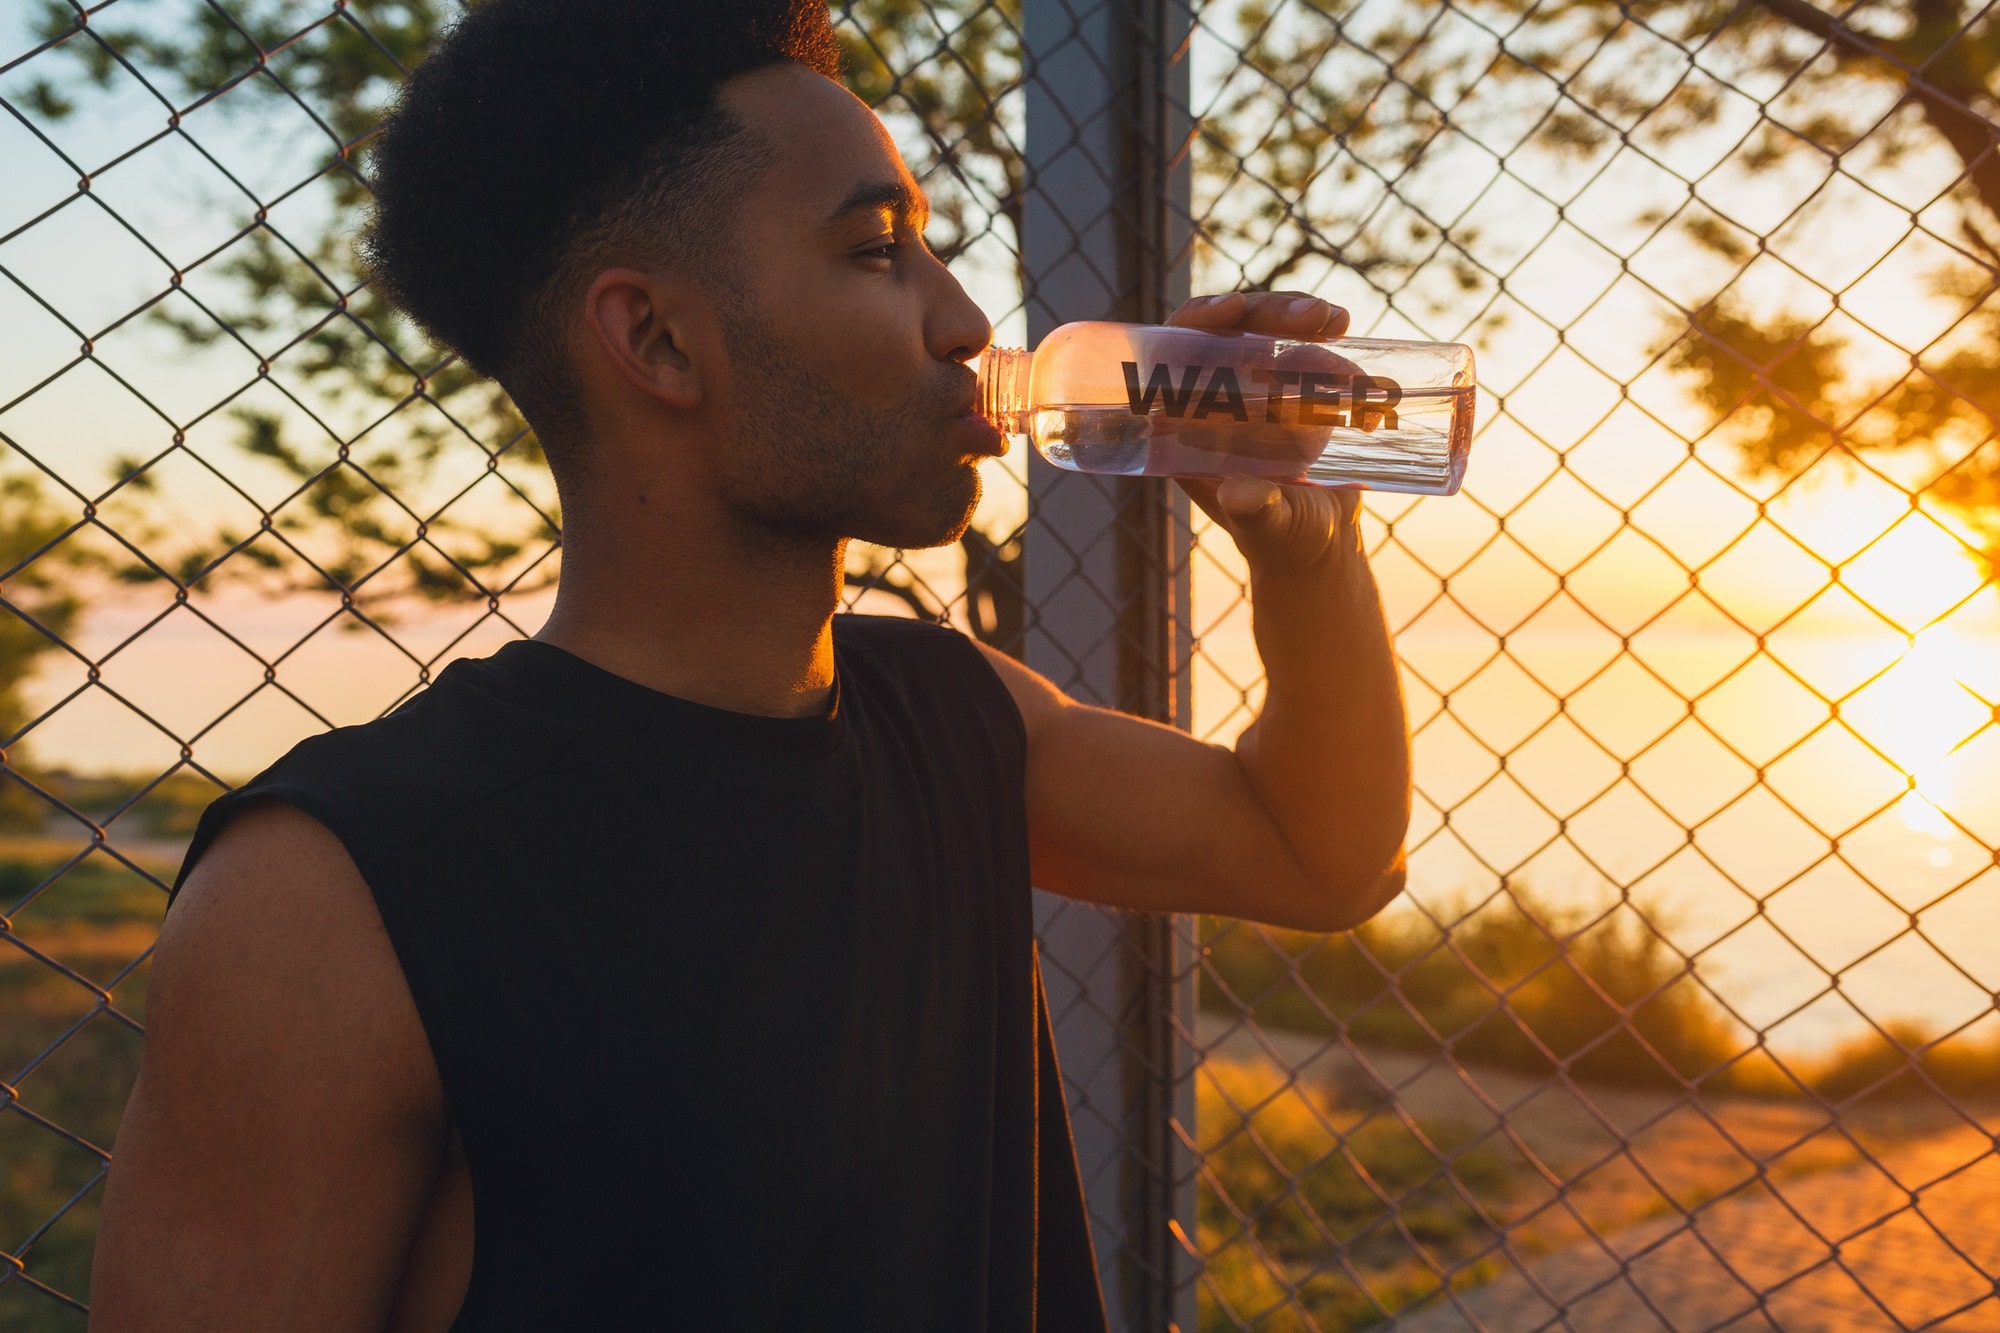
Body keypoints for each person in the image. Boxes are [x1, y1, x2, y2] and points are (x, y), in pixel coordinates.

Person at [86, 1, 1410, 1329]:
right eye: (877, 249)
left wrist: (1303, 550)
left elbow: (1318, 852)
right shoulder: (334, 892)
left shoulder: (953, 715)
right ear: (655, 339)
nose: (961, 320)